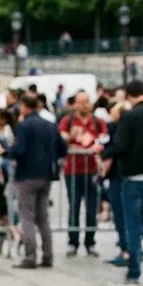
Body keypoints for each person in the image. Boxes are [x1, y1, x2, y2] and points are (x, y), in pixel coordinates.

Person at [0, 94, 68, 269]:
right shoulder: (50, 124)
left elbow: (20, 149)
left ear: (24, 106)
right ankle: (48, 256)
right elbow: (62, 147)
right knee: (43, 217)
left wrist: (6, 151)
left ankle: (30, 256)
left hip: (27, 174)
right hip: (46, 175)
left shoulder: (24, 125)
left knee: (27, 216)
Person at [102, 80, 143, 284]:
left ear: (129, 95)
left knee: (132, 225)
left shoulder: (129, 117)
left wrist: (104, 154)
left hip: (133, 177)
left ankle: (134, 271)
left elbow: (121, 145)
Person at [58, 91, 108, 257]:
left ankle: (90, 241)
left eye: (86, 102)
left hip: (92, 170)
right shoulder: (68, 120)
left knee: (91, 208)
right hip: (72, 170)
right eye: (80, 102)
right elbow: (62, 136)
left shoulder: (98, 122)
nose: (83, 105)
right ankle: (73, 241)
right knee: (74, 206)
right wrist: (69, 137)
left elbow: (104, 139)